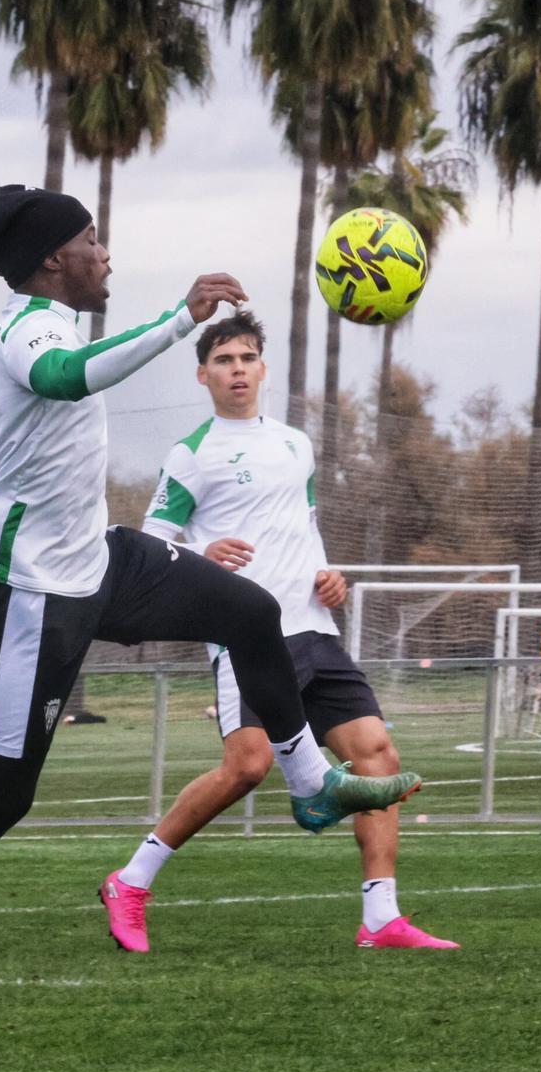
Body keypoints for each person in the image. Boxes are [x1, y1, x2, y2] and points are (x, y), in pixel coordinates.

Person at [0, 184, 421, 1041]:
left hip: (101, 558)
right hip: (36, 589)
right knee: (2, 797)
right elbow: (63, 377)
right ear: (51, 261)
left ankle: (310, 786)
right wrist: (181, 317)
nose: (103, 253)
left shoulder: (27, 329)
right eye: (91, 240)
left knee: (252, 611)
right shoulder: (36, 330)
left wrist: (7, 422)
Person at [100, 310, 453, 953]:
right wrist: (202, 557)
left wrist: (328, 576)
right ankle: (131, 880)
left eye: (247, 358)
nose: (237, 370)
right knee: (249, 767)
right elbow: (151, 546)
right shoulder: (192, 453)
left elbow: (306, 525)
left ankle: (381, 918)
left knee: (377, 753)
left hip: (315, 628)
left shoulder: (297, 444)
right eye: (224, 360)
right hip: (247, 636)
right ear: (203, 373)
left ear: (263, 368)